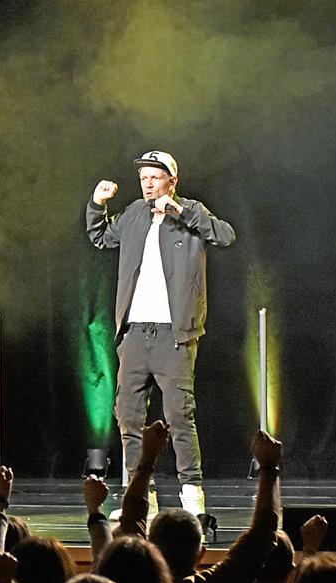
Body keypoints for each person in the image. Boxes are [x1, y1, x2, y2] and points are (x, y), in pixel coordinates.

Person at [86, 151, 235, 521]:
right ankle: (141, 498)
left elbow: (225, 235)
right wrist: (97, 204)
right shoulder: (135, 213)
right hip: (135, 332)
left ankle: (192, 498)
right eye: (144, 179)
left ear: (172, 181)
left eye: (155, 178)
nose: (148, 184)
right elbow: (101, 237)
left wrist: (182, 212)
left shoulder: (189, 212)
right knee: (128, 416)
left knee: (179, 416)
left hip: (174, 334)